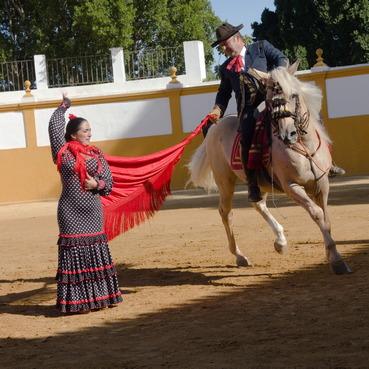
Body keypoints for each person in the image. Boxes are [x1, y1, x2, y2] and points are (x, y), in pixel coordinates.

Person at [48, 94, 123, 314]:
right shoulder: (62, 152)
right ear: (73, 135)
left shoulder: (97, 155)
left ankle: (101, 298)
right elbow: (54, 125)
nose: (89, 133)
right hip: (70, 212)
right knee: (74, 254)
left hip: (93, 211)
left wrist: (96, 183)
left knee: (95, 252)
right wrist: (64, 107)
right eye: (85, 130)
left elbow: (109, 181)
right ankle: (78, 302)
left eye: (90, 129)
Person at [208, 22, 289, 202]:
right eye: (221, 46)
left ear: (237, 39)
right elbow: (224, 93)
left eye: (224, 44)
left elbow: (281, 59)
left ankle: (327, 163)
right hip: (250, 109)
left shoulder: (261, 47)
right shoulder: (226, 68)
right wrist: (217, 109)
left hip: (274, 99)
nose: (223, 49)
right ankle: (253, 185)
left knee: (305, 111)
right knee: (245, 135)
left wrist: (274, 76)